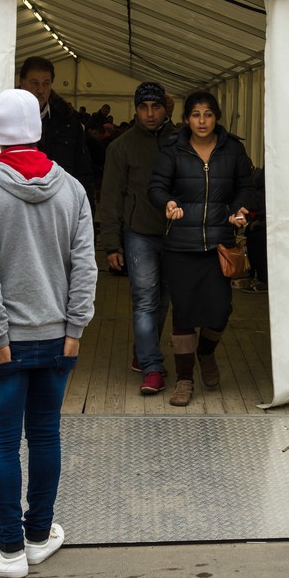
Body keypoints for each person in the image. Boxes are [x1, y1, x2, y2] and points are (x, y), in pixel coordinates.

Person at [0, 88, 97, 578]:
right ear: (37, 129)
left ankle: (10, 551)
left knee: (1, 444)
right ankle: (38, 537)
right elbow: (85, 265)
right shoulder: (72, 189)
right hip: (58, 338)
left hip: (4, 344)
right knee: (44, 436)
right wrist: (75, 327)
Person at [148, 91, 256, 407]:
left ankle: (206, 353)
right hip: (181, 245)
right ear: (186, 119)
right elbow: (156, 186)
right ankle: (184, 380)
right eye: (195, 114)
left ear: (216, 117)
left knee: (220, 310)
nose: (202, 121)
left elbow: (247, 186)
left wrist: (239, 209)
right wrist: (167, 202)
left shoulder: (232, 149)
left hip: (219, 242)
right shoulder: (173, 149)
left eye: (208, 114)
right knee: (183, 313)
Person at [100, 82, 176, 394]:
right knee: (145, 300)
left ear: (165, 108)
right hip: (139, 234)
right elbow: (111, 197)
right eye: (143, 107)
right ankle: (152, 366)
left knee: (164, 299)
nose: (149, 113)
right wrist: (111, 244)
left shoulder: (179, 141)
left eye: (155, 106)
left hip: (174, 234)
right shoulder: (121, 147)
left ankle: (144, 351)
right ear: (135, 109)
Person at [18, 57, 96, 214]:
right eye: (34, 83)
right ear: (22, 83)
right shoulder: (8, 121)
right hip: (20, 211)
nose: (41, 90)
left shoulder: (68, 123)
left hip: (60, 211)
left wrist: (86, 214)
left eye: (46, 84)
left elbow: (83, 172)